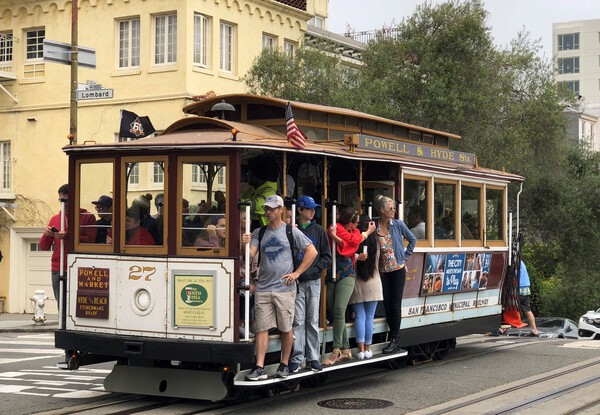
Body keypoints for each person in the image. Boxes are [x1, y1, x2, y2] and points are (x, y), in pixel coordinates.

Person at [242, 195, 317, 381]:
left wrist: (297, 273)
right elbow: (250, 255)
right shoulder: (259, 232)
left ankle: (284, 364)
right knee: (261, 328)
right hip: (264, 288)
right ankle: (259, 367)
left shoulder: (291, 231)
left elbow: (312, 251)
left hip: (285, 288)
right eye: (267, 209)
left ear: (281, 210)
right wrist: (244, 243)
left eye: (272, 209)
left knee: (285, 327)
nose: (268, 212)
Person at [324, 207, 375, 366]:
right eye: (356, 223)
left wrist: (338, 239)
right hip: (332, 273)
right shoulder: (338, 227)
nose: (358, 226)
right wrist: (366, 233)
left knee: (339, 309)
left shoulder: (352, 233)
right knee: (333, 311)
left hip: (347, 273)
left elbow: (350, 248)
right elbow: (352, 244)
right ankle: (346, 349)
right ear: (350, 223)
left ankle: (336, 349)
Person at [289, 196, 332, 373]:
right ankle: (298, 358)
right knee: (298, 320)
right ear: (299, 210)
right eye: (308, 208)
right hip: (297, 282)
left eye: (314, 209)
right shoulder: (290, 230)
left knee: (312, 320)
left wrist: (315, 271)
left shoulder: (319, 230)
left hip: (313, 281)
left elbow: (326, 256)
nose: (313, 211)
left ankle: (313, 357)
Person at [39, 184, 97, 304]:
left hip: (80, 266)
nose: (63, 204)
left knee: (78, 304)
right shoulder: (55, 219)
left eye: (66, 200)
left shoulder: (87, 217)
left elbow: (91, 240)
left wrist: (68, 236)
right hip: (58, 267)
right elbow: (43, 246)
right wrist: (47, 235)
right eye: (61, 200)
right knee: (62, 306)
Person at [374, 194, 417, 354]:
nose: (393, 210)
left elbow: (412, 240)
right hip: (382, 271)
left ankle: (395, 338)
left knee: (395, 304)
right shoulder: (374, 227)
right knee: (386, 304)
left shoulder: (398, 224)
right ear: (381, 210)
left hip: (397, 269)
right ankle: (392, 337)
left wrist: (404, 257)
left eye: (393, 208)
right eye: (390, 208)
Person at [349, 214, 382, 360]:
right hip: (374, 283)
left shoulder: (355, 243)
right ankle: (368, 348)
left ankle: (360, 349)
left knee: (360, 317)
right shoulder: (376, 242)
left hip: (357, 283)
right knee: (370, 317)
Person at [240, 156, 278, 230]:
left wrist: (237, 203)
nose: (247, 177)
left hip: (267, 231)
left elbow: (257, 205)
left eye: (249, 174)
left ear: (255, 176)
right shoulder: (252, 191)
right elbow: (241, 197)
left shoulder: (269, 192)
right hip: (253, 228)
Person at [519, 260, 539, 336]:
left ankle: (502, 328)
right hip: (526, 288)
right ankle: (535, 330)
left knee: (509, 307)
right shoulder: (522, 262)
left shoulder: (516, 262)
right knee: (527, 310)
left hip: (519, 287)